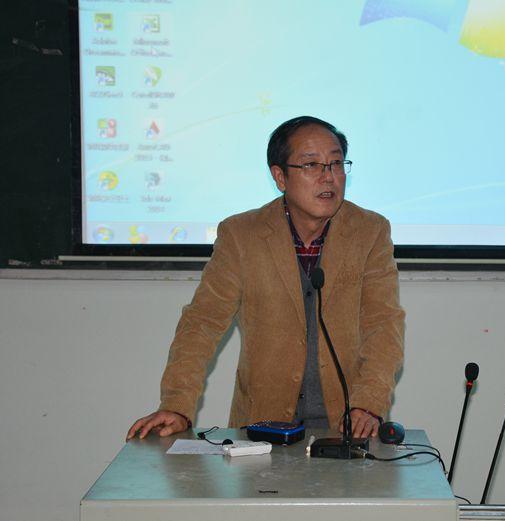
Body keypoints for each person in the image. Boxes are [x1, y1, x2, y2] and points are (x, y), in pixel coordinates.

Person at [126, 116, 405, 441]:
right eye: (311, 165)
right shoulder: (241, 235)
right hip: (262, 426)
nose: (328, 177)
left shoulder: (369, 231)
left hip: (347, 425)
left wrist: (368, 403)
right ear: (280, 176)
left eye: (336, 163)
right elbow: (202, 324)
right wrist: (176, 406)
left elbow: (383, 325)